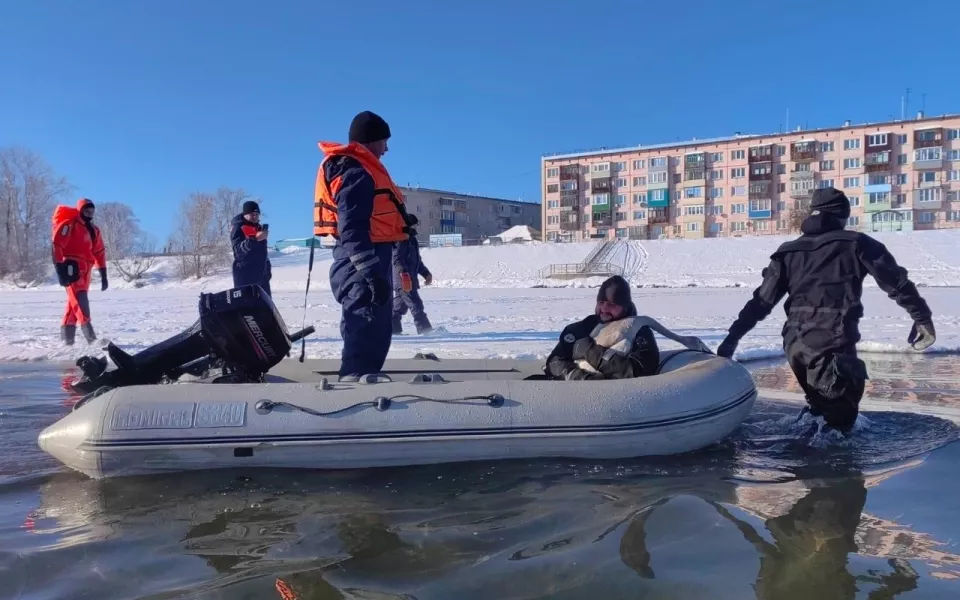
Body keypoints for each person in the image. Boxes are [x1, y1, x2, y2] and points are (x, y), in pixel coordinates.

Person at [716, 187, 936, 434]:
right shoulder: (857, 243)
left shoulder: (788, 251)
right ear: (842, 215)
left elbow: (761, 302)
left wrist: (732, 338)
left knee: (820, 414)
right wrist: (922, 318)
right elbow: (897, 283)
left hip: (795, 344)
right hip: (831, 341)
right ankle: (821, 467)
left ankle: (806, 457)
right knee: (839, 427)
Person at [314, 111, 410, 381]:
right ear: (370, 141)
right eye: (384, 141)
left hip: (365, 257)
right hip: (360, 261)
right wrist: (370, 273)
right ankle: (354, 386)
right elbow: (352, 227)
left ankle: (363, 378)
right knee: (365, 324)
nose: (387, 149)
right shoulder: (356, 171)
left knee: (374, 328)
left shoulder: (357, 169)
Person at [544, 276, 660, 380]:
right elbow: (554, 362)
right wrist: (577, 376)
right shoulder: (580, 329)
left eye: (612, 304)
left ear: (625, 307)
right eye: (601, 302)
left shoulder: (638, 332)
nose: (604, 309)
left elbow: (640, 371)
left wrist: (591, 352)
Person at [51, 198, 107, 345]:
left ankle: (67, 341)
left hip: (87, 269)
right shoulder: (69, 225)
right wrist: (59, 269)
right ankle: (91, 339)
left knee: (73, 304)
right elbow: (56, 245)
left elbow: (99, 252)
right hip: (71, 267)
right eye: (87, 211)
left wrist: (103, 273)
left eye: (92, 211)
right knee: (81, 300)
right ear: (80, 210)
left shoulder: (94, 230)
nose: (90, 214)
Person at [391, 214, 434, 335]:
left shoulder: (412, 240)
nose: (416, 227)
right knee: (416, 305)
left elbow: (417, 261)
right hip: (403, 280)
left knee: (398, 308)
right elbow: (396, 259)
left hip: (410, 279)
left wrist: (425, 273)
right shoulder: (400, 239)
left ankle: (392, 331)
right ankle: (426, 331)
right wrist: (403, 274)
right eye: (414, 225)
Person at [230, 200, 272, 296]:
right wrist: (254, 239)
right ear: (245, 214)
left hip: (261, 277)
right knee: (248, 309)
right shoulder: (238, 227)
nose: (255, 217)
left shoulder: (258, 227)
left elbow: (262, 253)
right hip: (245, 276)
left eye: (257, 214)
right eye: (252, 214)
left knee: (266, 309)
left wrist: (267, 269)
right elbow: (238, 252)